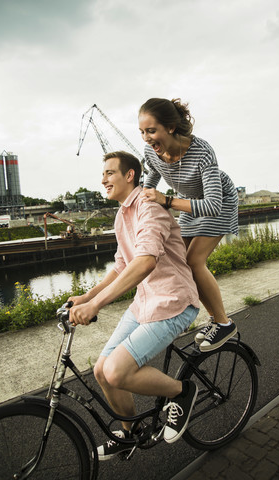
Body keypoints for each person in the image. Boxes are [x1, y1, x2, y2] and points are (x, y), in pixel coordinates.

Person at [68, 151, 200, 461]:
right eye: (103, 174)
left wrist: (97, 304)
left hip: (173, 302)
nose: (103, 179)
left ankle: (182, 392)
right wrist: (87, 298)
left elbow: (144, 263)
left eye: (110, 173)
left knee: (116, 371)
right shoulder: (121, 215)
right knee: (102, 371)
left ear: (130, 176)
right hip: (145, 303)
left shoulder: (149, 208)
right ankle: (129, 434)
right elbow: (120, 266)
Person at [138, 97, 238, 352]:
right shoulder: (152, 152)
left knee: (194, 262)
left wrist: (168, 200)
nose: (146, 138)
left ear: (170, 127)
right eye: (142, 132)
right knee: (175, 259)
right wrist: (140, 202)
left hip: (219, 201)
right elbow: (151, 177)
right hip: (189, 203)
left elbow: (213, 205)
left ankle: (224, 323)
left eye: (151, 131)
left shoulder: (202, 152)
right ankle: (203, 316)